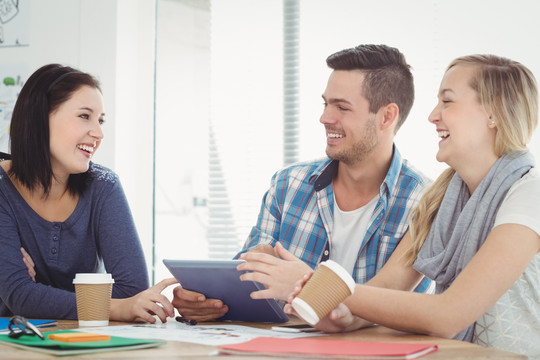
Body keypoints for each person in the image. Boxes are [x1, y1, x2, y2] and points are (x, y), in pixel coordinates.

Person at [286, 54, 540, 358]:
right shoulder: (440, 200)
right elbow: (389, 288)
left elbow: (448, 315)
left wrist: (331, 287)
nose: (433, 115)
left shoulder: (530, 194)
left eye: (447, 101)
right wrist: (344, 316)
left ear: (493, 113)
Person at [172, 44, 432, 321]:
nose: (325, 118)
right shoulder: (288, 184)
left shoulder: (424, 202)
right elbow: (248, 285)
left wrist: (306, 284)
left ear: (387, 116)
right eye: (326, 103)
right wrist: (208, 301)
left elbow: (389, 304)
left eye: (342, 107)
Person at [0, 64, 176, 323]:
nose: (99, 133)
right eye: (85, 116)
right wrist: (114, 306)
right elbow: (20, 296)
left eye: (100, 120)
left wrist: (37, 295)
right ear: (40, 118)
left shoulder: (103, 186)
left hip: (86, 341)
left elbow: (133, 291)